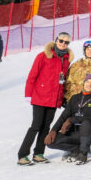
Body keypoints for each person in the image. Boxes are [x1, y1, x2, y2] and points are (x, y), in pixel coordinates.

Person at [18, 33, 72, 165]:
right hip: (40, 97)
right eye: (61, 41)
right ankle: (23, 155)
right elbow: (32, 76)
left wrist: (61, 98)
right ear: (56, 40)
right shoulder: (43, 56)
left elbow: (62, 81)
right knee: (36, 126)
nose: (63, 44)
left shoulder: (66, 60)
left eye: (66, 42)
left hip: (53, 100)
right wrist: (28, 94)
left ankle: (38, 153)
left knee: (46, 127)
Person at [44, 73, 91, 164]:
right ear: (83, 83)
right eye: (87, 81)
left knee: (86, 123)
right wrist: (53, 130)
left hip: (89, 134)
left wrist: (71, 120)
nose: (89, 84)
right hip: (74, 133)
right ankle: (77, 150)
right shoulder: (75, 98)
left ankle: (83, 153)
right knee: (51, 142)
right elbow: (64, 116)